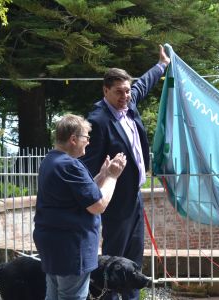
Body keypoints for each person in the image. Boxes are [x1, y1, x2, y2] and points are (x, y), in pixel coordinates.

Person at [81, 45, 170, 300]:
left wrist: (161, 65)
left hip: (135, 196)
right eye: (119, 92)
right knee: (112, 261)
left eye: (127, 91)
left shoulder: (129, 104)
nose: (125, 96)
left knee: (133, 256)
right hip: (114, 201)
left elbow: (142, 84)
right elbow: (87, 165)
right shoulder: (97, 121)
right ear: (105, 90)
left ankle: (131, 298)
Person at [33, 114, 127, 300]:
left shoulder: (51, 161)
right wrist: (113, 176)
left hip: (53, 244)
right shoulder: (70, 165)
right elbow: (98, 205)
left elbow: (82, 195)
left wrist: (102, 175)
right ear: (73, 139)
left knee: (54, 295)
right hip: (71, 247)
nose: (88, 142)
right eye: (86, 138)